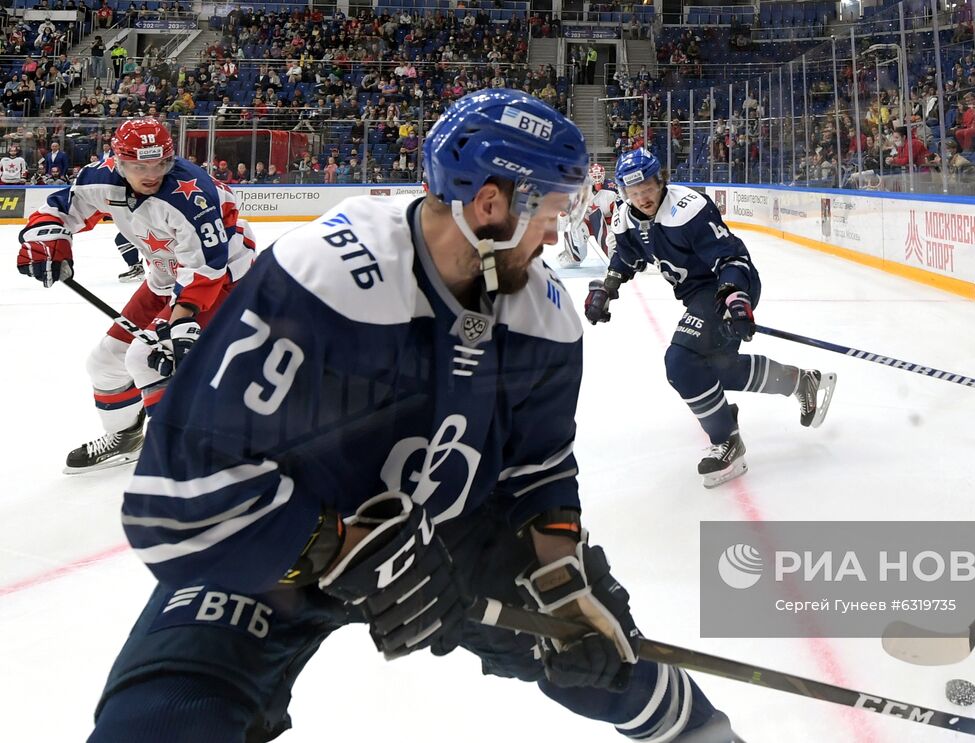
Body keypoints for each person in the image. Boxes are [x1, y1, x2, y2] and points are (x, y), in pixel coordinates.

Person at [85, 89, 741, 743]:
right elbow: (171, 504)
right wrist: (335, 545)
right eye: (548, 213)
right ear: (490, 205)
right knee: (158, 716)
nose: (554, 235)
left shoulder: (546, 318)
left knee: (608, 662)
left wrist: (562, 578)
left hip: (449, 533)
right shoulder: (324, 276)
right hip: (283, 535)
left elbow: (540, 470)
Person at [15, 117, 256, 473]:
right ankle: (126, 437)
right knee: (106, 361)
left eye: (160, 163)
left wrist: (181, 324)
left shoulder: (190, 194)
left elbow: (207, 267)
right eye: (139, 165)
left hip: (224, 279)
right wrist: (46, 238)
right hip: (165, 275)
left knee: (147, 355)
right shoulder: (101, 179)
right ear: (119, 161)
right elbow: (62, 208)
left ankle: (188, 454)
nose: (151, 174)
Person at [586, 149, 838, 487]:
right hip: (696, 298)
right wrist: (607, 288)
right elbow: (627, 259)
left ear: (661, 180)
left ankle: (726, 439)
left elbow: (731, 257)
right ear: (624, 192)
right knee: (716, 369)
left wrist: (735, 296)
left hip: (726, 290)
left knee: (681, 363)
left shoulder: (688, 209)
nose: (642, 197)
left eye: (647, 187)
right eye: (634, 192)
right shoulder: (624, 218)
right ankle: (799, 381)